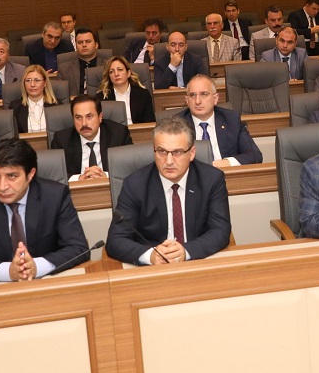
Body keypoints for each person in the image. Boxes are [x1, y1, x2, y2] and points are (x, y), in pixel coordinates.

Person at [0, 137, 90, 282]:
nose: (2, 186)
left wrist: (37, 267)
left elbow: (78, 247)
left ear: (30, 174)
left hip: (47, 283)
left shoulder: (55, 196)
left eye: (11, 176)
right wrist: (9, 272)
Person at [106, 114, 232, 264]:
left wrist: (186, 251)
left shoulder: (211, 179)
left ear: (191, 153)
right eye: (162, 151)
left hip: (197, 262)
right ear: (154, 151)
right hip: (153, 268)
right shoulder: (135, 184)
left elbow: (220, 230)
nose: (169, 161)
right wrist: (150, 255)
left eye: (177, 152)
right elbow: (116, 239)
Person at [179, 72, 261, 166]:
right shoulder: (177, 124)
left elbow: (255, 155)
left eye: (204, 94)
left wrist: (227, 162)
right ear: (187, 100)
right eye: (193, 95)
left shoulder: (231, 119)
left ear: (215, 98)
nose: (197, 101)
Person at [50, 94, 132, 180]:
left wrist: (108, 177)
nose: (84, 123)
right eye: (78, 117)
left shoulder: (119, 134)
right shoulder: (61, 140)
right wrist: (79, 179)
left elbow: (130, 167)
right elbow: (55, 173)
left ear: (100, 117)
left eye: (89, 116)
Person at [99, 55, 155, 125]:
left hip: (137, 130)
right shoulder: (101, 98)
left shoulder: (143, 94)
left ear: (128, 73)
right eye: (111, 71)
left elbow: (150, 123)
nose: (116, 74)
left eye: (120, 70)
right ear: (109, 76)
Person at [11, 63, 61, 134]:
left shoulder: (57, 106)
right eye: (28, 80)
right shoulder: (15, 107)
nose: (32, 85)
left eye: (37, 80)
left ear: (45, 83)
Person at [60, 27, 105, 97]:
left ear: (96, 45)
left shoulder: (108, 67)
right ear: (76, 46)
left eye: (88, 41)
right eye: (80, 42)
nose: (84, 45)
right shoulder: (64, 69)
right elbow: (60, 96)